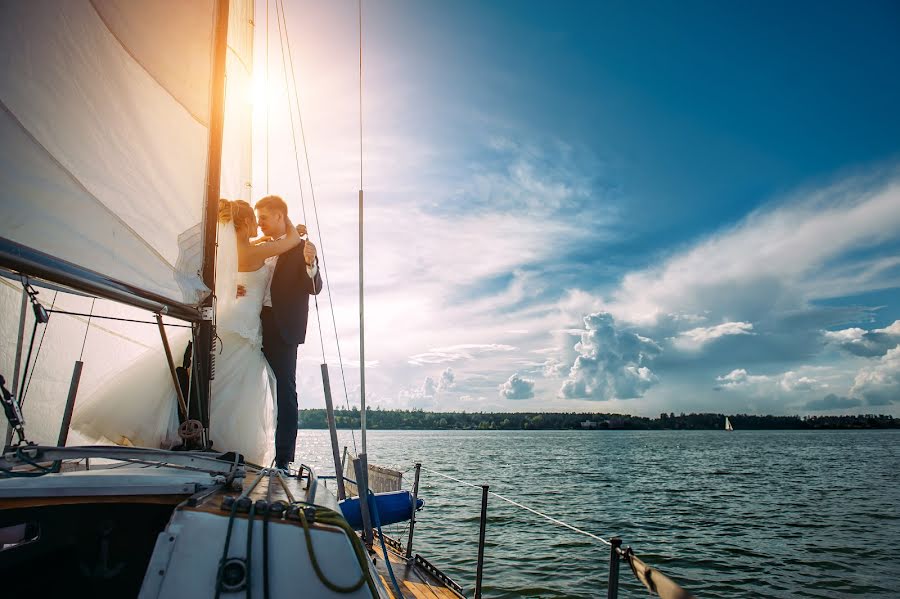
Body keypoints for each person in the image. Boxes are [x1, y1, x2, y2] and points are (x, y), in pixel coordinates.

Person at [72, 200, 303, 466]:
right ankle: (217, 443)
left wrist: (233, 285)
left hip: (227, 321)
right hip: (244, 327)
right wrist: (290, 226)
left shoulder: (227, 253)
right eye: (255, 220)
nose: (258, 225)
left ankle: (193, 436)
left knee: (215, 383)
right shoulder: (254, 253)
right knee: (230, 387)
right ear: (246, 223)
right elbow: (291, 239)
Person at [253, 195, 322, 471]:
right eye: (257, 220)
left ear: (281, 216)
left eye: (264, 219)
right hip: (250, 321)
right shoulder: (259, 246)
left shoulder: (302, 248)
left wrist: (310, 263)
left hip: (281, 327)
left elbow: (315, 287)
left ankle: (283, 458)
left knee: (285, 391)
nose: (260, 225)